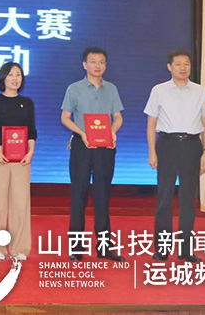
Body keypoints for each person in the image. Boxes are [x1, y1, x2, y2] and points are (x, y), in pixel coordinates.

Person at [144, 49, 205, 263]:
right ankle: (162, 249)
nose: (183, 68)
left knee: (188, 200)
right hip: (167, 145)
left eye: (186, 64)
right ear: (169, 67)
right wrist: (152, 151)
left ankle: (186, 250)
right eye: (178, 64)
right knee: (164, 198)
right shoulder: (159, 90)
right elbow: (151, 123)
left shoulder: (200, 91)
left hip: (192, 146)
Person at [61, 47, 125, 261]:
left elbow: (118, 117)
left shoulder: (111, 89)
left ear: (105, 65)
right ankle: (77, 248)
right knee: (78, 196)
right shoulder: (74, 89)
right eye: (93, 61)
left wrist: (113, 131)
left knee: (102, 196)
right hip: (82, 146)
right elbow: (65, 118)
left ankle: (105, 247)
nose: (97, 66)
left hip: (106, 147)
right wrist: (82, 133)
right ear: (84, 64)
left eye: (101, 62)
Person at [0, 62, 36, 261]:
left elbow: (31, 131)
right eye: (11, 74)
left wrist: (30, 152)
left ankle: (19, 248)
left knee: (20, 202)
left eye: (18, 75)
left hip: (22, 157)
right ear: (3, 78)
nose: (15, 78)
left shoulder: (27, 103)